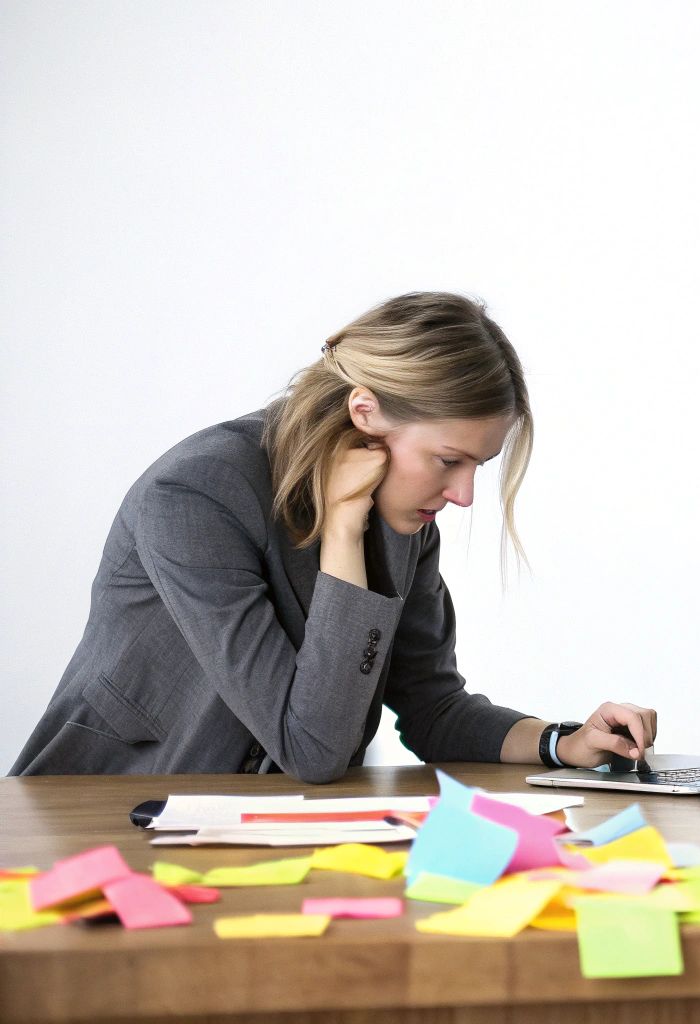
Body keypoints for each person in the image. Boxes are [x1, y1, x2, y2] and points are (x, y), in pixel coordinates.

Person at [11, 292, 656, 783]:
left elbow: (433, 708)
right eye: (448, 461)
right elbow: (313, 748)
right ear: (365, 413)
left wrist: (565, 743)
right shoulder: (196, 496)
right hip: (103, 819)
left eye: (476, 469)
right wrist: (344, 533)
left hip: (261, 828)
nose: (463, 496)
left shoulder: (405, 514)